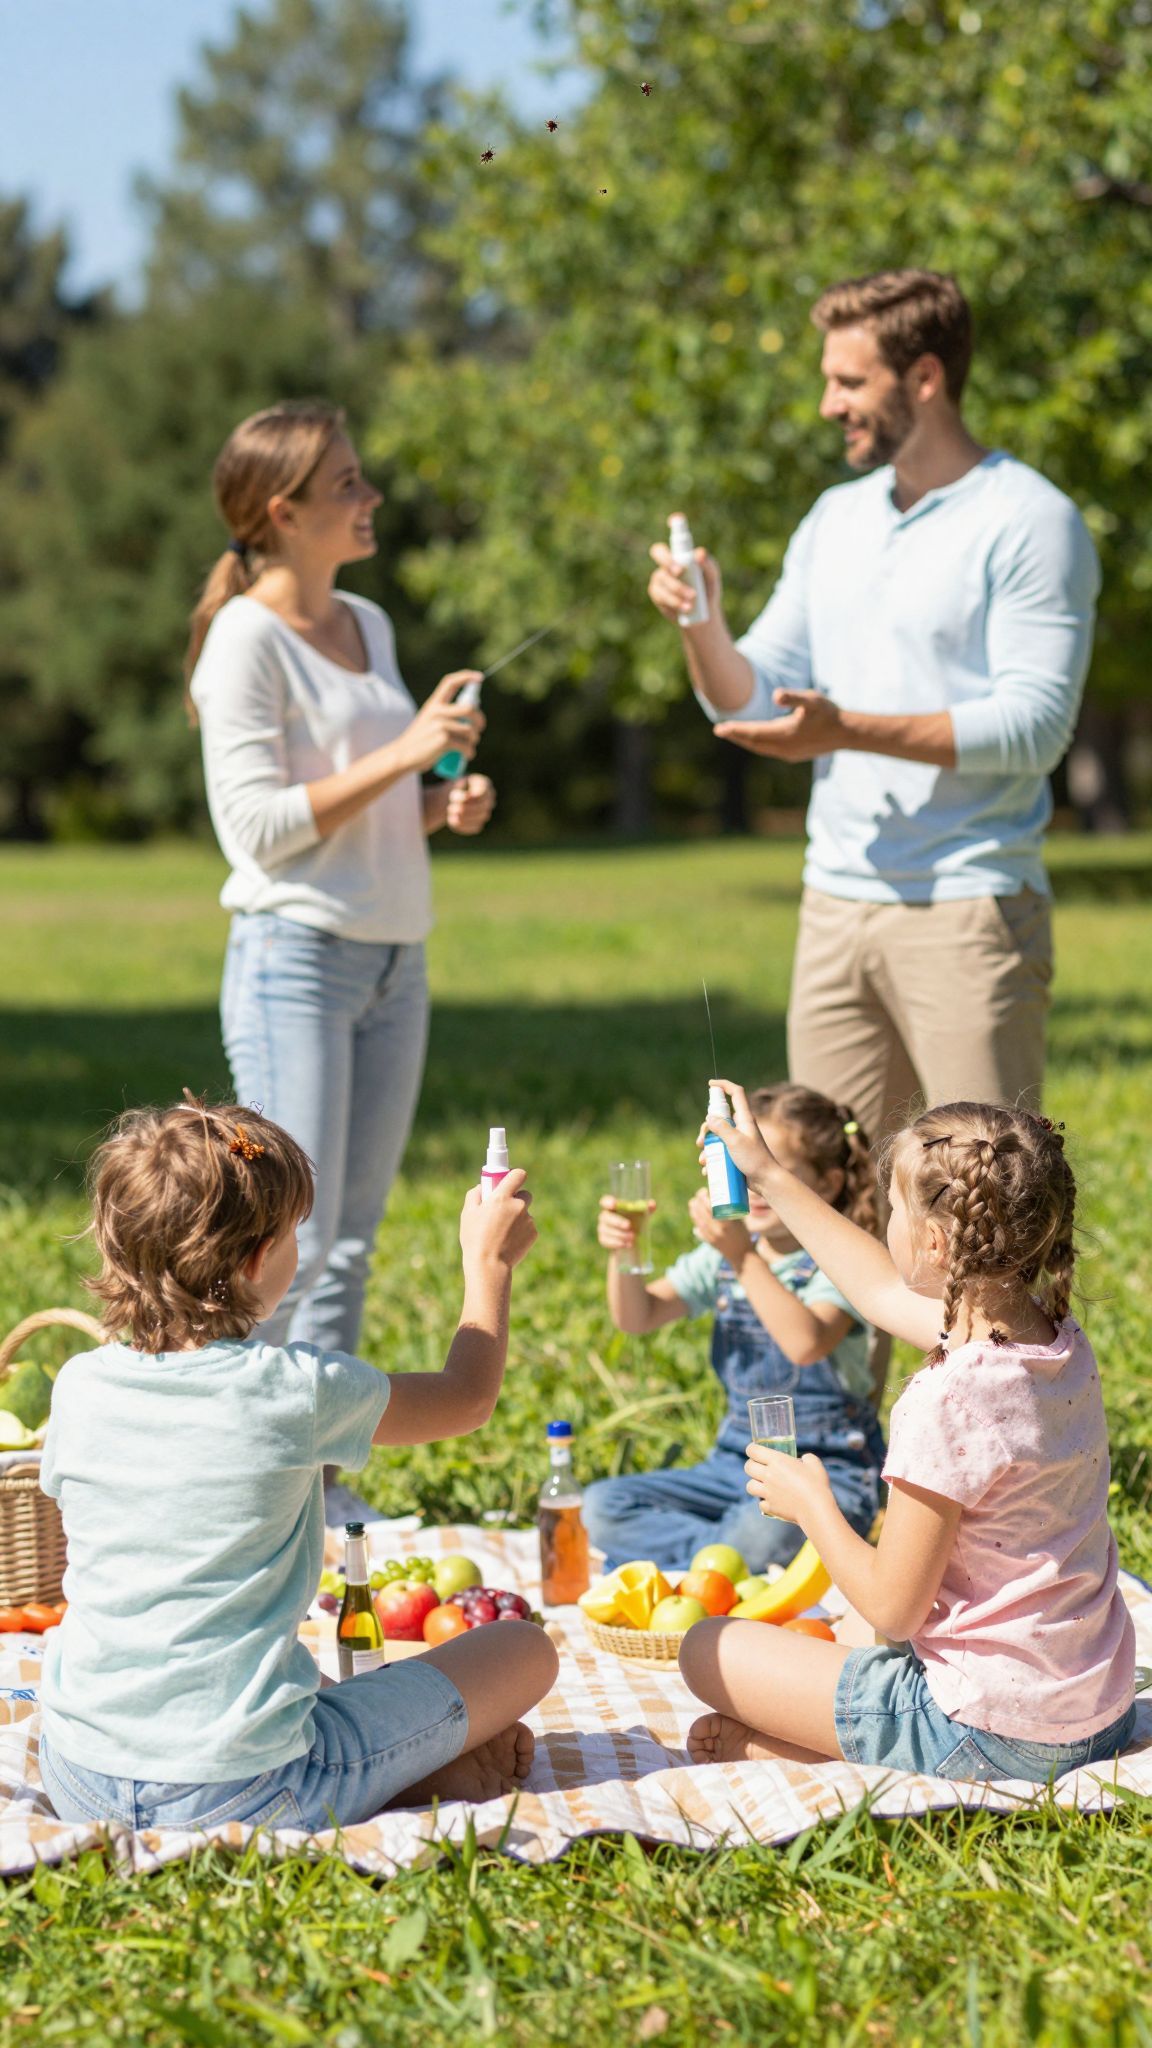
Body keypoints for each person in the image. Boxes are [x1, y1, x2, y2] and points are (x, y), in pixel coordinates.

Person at [647, 270, 1100, 1167]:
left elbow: (1035, 727)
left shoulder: (1030, 520)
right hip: (836, 904)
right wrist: (701, 621)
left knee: (984, 1205)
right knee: (833, 1197)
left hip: (968, 909)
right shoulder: (834, 519)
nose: (827, 405)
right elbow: (749, 693)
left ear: (923, 378)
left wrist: (846, 728)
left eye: (849, 382)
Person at [37, 1097, 558, 1832]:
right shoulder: (292, 1390)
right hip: (245, 1787)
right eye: (291, 1238)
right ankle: (397, 1777)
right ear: (255, 1261)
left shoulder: (80, 1385)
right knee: (522, 1648)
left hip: (80, 1772)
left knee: (309, 1678)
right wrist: (488, 1264)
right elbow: (467, 1398)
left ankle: (409, 1770)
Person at [187, 398, 492, 1524]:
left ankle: (317, 1495)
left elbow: (360, 803)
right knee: (282, 1243)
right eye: (349, 485)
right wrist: (404, 753)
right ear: (286, 511)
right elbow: (260, 829)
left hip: (392, 959)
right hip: (294, 959)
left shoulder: (365, 617)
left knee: (350, 1240)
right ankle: (249, 1498)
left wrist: (432, 801)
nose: (370, 498)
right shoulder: (244, 642)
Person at [678, 1083, 1136, 1785]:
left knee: (708, 1649)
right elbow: (876, 1290)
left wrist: (813, 1506)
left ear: (933, 1242)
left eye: (891, 1206)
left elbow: (894, 1604)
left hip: (986, 1731)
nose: (883, 1220)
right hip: (1098, 1714)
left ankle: (813, 1754)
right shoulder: (1055, 1342)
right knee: (854, 1643)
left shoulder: (943, 1399)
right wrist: (765, 1170)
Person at [583, 1085, 884, 1574]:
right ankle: (725, 1562)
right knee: (599, 1507)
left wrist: (742, 1256)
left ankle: (718, 1558)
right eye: (741, 1171)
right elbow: (637, 1317)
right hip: (734, 1466)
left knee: (759, 1533)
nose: (753, 1188)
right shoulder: (723, 1257)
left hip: (828, 1473)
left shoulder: (836, 1258)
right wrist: (626, 1253)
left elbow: (806, 1344)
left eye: (770, 1172)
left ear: (827, 1184)